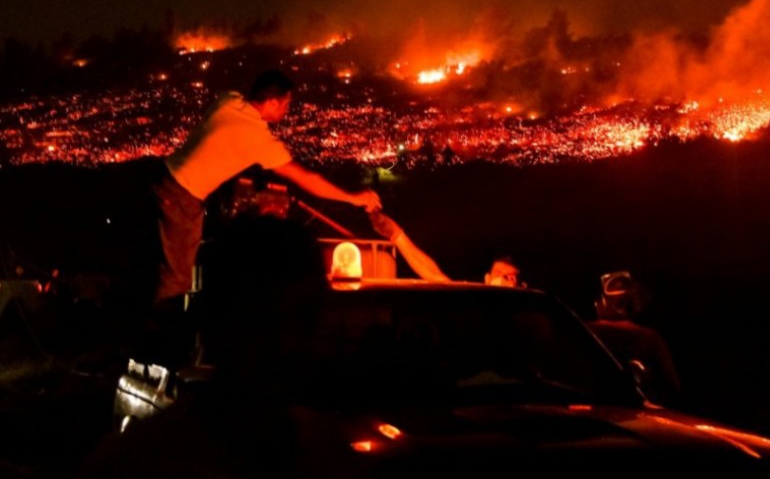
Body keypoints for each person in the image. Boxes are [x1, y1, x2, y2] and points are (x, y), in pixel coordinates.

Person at [78, 215, 362, 479]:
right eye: (260, 319)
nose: (285, 341)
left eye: (304, 315)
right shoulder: (141, 462)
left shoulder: (327, 452)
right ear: (216, 321)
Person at [152, 69, 381, 305]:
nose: (287, 110)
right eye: (286, 104)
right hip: (182, 196)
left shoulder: (228, 101)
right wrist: (352, 197)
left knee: (157, 269)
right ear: (272, 102)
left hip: (163, 179)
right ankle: (166, 336)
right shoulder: (257, 137)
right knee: (176, 280)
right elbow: (306, 178)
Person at [585, 271, 681, 406]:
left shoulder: (585, 330)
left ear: (601, 302)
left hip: (591, 410)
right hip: (640, 413)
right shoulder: (651, 338)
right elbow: (673, 386)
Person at [368, 211, 523, 287]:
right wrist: (396, 235)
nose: (501, 280)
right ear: (487, 279)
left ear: (523, 286)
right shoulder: (472, 309)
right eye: (498, 274)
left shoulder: (529, 321)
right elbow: (435, 277)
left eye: (509, 277)